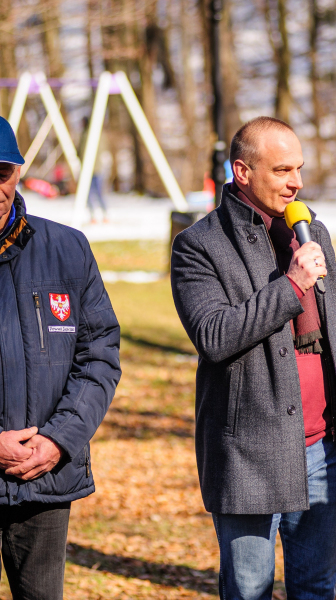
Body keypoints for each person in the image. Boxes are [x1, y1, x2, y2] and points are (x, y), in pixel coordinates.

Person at [171, 116, 336, 600]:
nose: (297, 183)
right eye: (283, 170)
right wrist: (292, 285)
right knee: (249, 589)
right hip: (249, 450)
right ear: (243, 172)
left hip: (324, 447)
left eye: (300, 169)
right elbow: (214, 335)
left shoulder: (311, 232)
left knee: (316, 588)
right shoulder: (198, 245)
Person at [0, 116, 121, 599]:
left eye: (2, 173)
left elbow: (99, 355)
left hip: (44, 476)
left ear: (18, 173)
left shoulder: (67, 249)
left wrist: (58, 439)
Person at [79, 116, 108, 223]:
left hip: (95, 168)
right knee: (90, 193)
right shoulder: (86, 135)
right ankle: (94, 216)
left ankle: (103, 214)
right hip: (90, 169)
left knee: (97, 192)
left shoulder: (93, 135)